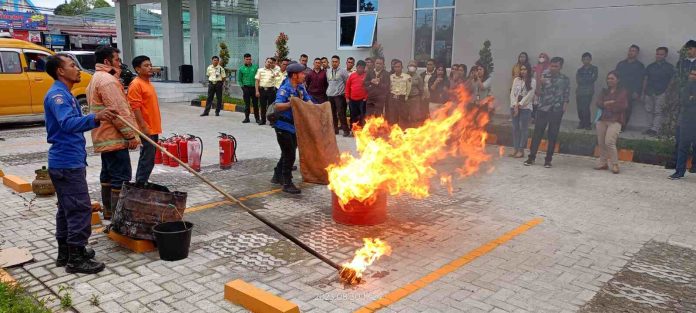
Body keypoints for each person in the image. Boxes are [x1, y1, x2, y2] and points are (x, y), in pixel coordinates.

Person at [45, 55, 115, 274]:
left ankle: (65, 253)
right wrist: (96, 117)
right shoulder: (58, 95)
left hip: (68, 160)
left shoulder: (65, 93)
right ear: (60, 72)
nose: (77, 69)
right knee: (79, 208)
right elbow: (67, 124)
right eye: (72, 65)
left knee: (66, 209)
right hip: (67, 162)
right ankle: (76, 258)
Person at [88, 46, 140, 220]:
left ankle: (110, 212)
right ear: (106, 61)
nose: (120, 63)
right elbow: (119, 112)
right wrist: (131, 135)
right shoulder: (108, 81)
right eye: (117, 60)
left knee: (108, 175)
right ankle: (119, 219)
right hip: (114, 136)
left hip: (104, 137)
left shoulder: (95, 78)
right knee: (121, 177)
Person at [271, 63, 313, 194]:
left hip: (294, 127)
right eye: (302, 73)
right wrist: (291, 103)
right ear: (294, 75)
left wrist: (319, 110)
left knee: (287, 151)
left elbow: (308, 101)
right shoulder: (285, 89)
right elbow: (278, 106)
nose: (304, 75)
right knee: (290, 154)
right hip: (282, 126)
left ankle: (277, 176)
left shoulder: (300, 87)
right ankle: (287, 183)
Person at [524, 57, 570, 168]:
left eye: (556, 66)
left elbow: (566, 94)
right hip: (543, 108)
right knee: (537, 134)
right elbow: (537, 91)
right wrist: (540, 81)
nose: (553, 68)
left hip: (556, 110)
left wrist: (564, 107)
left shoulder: (565, 79)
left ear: (561, 67)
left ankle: (548, 160)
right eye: (552, 66)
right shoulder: (543, 75)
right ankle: (531, 157)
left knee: (552, 135)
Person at [128, 55, 162, 184]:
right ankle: (141, 184)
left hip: (153, 127)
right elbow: (135, 108)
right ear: (137, 69)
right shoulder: (136, 85)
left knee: (150, 157)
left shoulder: (148, 84)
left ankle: (143, 181)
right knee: (147, 158)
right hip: (146, 128)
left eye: (150, 65)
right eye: (146, 66)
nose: (150, 68)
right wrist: (143, 126)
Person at [668, 40, 696, 171]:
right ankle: (676, 162)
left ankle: (694, 164)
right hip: (682, 102)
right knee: (680, 132)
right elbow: (676, 80)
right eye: (687, 49)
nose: (688, 51)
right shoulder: (681, 63)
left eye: (691, 49)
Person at [595, 71, 629, 174]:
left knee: (609, 141)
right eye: (608, 78)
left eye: (612, 78)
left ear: (618, 80)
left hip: (615, 120)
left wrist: (607, 104)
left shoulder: (622, 92)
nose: (609, 80)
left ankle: (615, 164)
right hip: (602, 119)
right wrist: (609, 103)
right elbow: (598, 103)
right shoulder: (604, 91)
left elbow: (622, 105)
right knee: (601, 142)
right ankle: (603, 162)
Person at [642, 47, 675, 136]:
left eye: (661, 54)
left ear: (665, 55)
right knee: (648, 110)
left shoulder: (669, 67)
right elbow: (645, 79)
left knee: (658, 111)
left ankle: (655, 129)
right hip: (649, 92)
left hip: (661, 92)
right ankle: (649, 127)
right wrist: (643, 92)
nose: (659, 56)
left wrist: (667, 92)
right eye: (657, 54)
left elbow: (672, 80)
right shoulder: (650, 66)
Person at [615, 45, 645, 130]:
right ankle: (615, 125)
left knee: (627, 109)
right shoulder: (621, 64)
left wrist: (637, 92)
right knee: (618, 108)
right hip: (620, 90)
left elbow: (640, 80)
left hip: (631, 91)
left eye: (633, 51)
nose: (631, 52)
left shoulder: (639, 66)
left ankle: (622, 127)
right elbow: (615, 76)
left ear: (637, 53)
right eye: (630, 50)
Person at [509, 64, 536, 158]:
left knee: (523, 129)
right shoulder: (516, 80)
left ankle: (521, 149)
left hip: (525, 108)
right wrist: (514, 105)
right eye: (521, 69)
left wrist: (519, 104)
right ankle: (515, 148)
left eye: (525, 69)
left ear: (528, 70)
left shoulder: (532, 81)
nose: (523, 71)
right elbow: (512, 93)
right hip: (514, 107)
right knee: (515, 128)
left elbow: (529, 95)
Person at [326, 55, 351, 136]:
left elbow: (347, 83)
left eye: (336, 61)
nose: (334, 63)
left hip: (339, 96)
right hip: (330, 95)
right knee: (332, 113)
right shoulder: (328, 71)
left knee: (341, 113)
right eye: (333, 61)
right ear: (331, 62)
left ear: (339, 62)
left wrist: (346, 94)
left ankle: (346, 131)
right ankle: (335, 130)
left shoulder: (343, 71)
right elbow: (328, 82)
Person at [576, 52, 598, 130]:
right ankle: (581, 122)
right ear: (582, 60)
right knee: (579, 108)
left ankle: (587, 124)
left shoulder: (594, 68)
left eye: (588, 59)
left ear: (590, 60)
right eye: (584, 59)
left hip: (588, 91)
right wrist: (586, 80)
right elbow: (578, 80)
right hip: (579, 91)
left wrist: (584, 80)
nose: (586, 61)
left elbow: (593, 78)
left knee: (585, 108)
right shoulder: (579, 70)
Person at [255, 57, 279, 126]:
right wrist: (257, 91)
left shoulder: (274, 71)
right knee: (262, 106)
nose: (269, 63)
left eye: (271, 62)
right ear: (265, 62)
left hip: (271, 91)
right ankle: (263, 120)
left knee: (271, 107)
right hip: (262, 90)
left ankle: (271, 121)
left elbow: (278, 77)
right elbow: (257, 81)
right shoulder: (260, 70)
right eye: (268, 62)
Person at [387, 59, 411, 125]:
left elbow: (408, 88)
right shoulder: (391, 77)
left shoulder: (407, 77)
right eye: (395, 67)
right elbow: (389, 88)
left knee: (404, 116)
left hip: (402, 99)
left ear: (402, 67)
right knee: (393, 116)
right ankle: (394, 131)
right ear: (393, 68)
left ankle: (404, 131)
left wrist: (406, 97)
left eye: (398, 66)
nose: (397, 68)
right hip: (393, 98)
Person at [346, 60, 368, 131]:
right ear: (356, 67)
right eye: (359, 67)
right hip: (352, 100)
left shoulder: (366, 76)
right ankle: (353, 130)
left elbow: (368, 88)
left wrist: (365, 97)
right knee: (353, 115)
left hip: (362, 100)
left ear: (364, 68)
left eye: (362, 68)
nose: (360, 69)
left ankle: (361, 130)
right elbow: (347, 87)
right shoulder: (352, 75)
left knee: (362, 116)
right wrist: (347, 97)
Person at [238, 53, 259, 123]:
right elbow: (239, 80)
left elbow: (258, 78)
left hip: (254, 88)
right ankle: (247, 118)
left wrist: (257, 89)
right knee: (247, 104)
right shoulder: (241, 69)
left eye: (250, 59)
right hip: (246, 88)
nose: (248, 60)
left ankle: (257, 119)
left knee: (255, 104)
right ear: (244, 59)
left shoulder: (255, 67)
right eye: (247, 59)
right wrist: (242, 87)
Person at [532, 52, 551, 121]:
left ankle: (541, 119)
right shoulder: (535, 67)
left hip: (544, 90)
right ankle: (534, 118)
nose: (541, 58)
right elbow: (532, 78)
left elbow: (549, 80)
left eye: (543, 57)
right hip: (535, 89)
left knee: (542, 105)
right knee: (535, 104)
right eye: (540, 57)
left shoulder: (549, 68)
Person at [407, 60, 424, 127]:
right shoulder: (404, 76)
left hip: (415, 99)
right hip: (405, 99)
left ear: (416, 68)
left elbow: (421, 89)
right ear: (407, 67)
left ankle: (413, 131)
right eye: (410, 65)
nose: (412, 67)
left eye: (414, 66)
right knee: (404, 116)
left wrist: (420, 100)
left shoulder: (419, 77)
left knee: (414, 117)